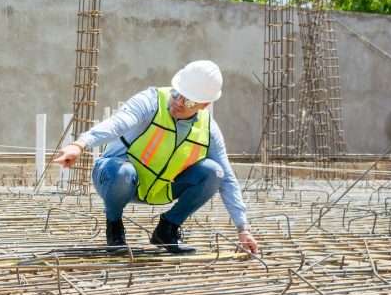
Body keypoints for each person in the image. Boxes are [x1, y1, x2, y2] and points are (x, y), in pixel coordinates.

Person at [53, 60, 259, 256]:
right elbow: (117, 123)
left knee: (215, 172)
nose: (178, 102)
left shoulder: (208, 129)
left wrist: (243, 228)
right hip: (116, 178)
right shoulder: (151, 101)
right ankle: (114, 227)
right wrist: (80, 144)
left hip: (160, 187)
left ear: (204, 105)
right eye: (177, 94)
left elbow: (228, 180)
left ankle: (167, 230)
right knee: (123, 172)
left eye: (188, 101)